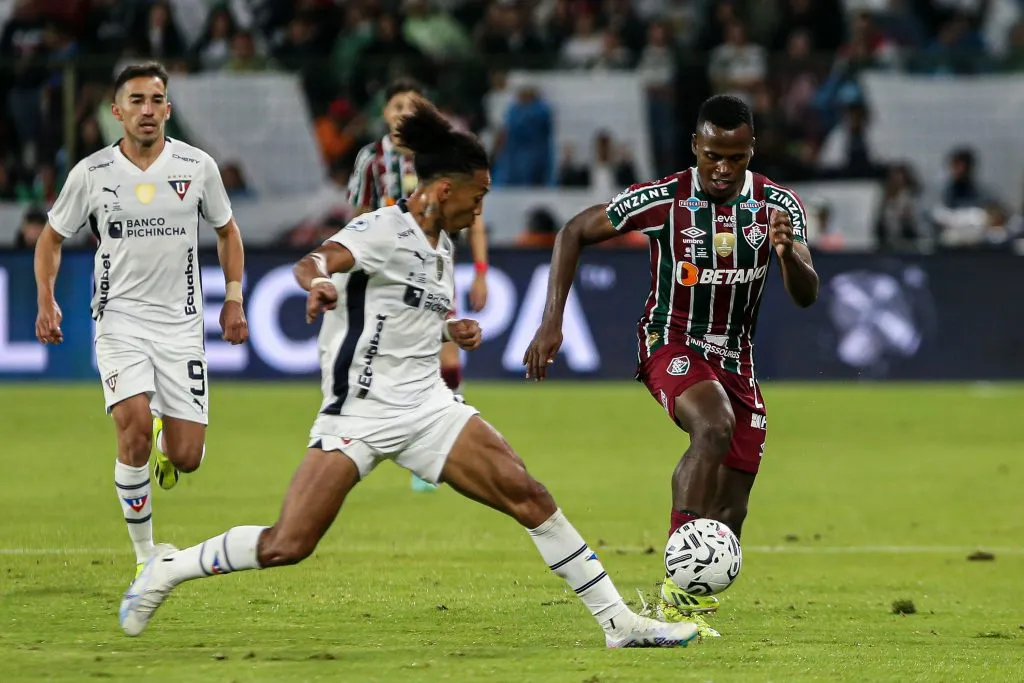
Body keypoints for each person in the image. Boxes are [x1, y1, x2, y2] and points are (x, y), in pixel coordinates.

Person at [118, 103, 700, 650]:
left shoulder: (440, 246)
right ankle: (169, 567)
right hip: (359, 413)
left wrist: (449, 329)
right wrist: (318, 283)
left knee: (529, 494)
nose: (480, 210)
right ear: (445, 190)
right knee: (287, 544)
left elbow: (400, 314)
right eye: (478, 197)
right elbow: (315, 260)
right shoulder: (381, 230)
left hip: (427, 408)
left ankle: (617, 622)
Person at [523, 94, 819, 637]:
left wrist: (787, 256)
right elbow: (573, 231)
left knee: (731, 509)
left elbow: (806, 294)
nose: (723, 168)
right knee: (714, 425)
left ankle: (689, 606)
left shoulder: (779, 206)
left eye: (735, 156)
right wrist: (550, 322)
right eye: (712, 155)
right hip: (670, 341)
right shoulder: (665, 198)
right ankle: (674, 583)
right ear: (695, 147)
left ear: (752, 149)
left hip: (737, 358)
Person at [34, 62, 248, 579]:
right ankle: (145, 553)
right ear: (116, 111)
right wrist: (46, 298)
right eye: (136, 100)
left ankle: (166, 443)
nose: (147, 110)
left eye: (155, 100)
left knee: (188, 455)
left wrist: (234, 297)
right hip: (119, 320)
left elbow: (227, 231)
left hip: (181, 326)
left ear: (168, 109)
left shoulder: (197, 167)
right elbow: (50, 239)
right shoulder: (92, 174)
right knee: (130, 430)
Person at [348, 77, 489, 493]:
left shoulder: (440, 160)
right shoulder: (371, 161)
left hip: (433, 271)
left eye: (412, 107)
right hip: (385, 277)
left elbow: (475, 219)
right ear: (384, 113)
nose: (403, 115)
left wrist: (481, 271)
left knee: (446, 354)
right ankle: (363, 436)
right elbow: (358, 216)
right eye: (396, 107)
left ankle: (438, 443)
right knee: (380, 355)